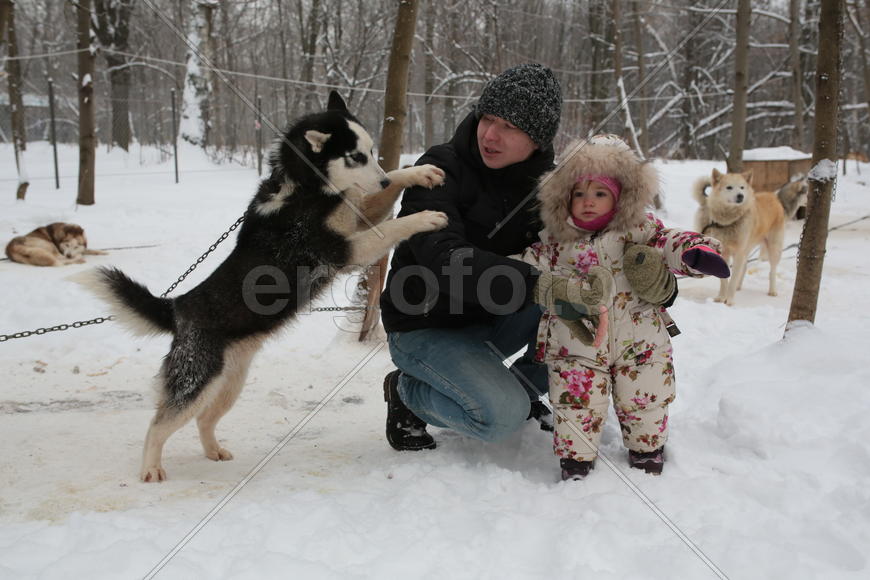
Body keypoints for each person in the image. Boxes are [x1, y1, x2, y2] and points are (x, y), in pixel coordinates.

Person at [520, 134, 730, 480]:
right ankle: (575, 459)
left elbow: (670, 242)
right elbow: (525, 270)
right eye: (579, 194)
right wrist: (503, 276)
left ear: (621, 198)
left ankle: (647, 448)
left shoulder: (641, 230)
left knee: (646, 396)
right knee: (576, 400)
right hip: (576, 344)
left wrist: (695, 253)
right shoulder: (554, 242)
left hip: (640, 338)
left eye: (600, 193)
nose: (588, 201)